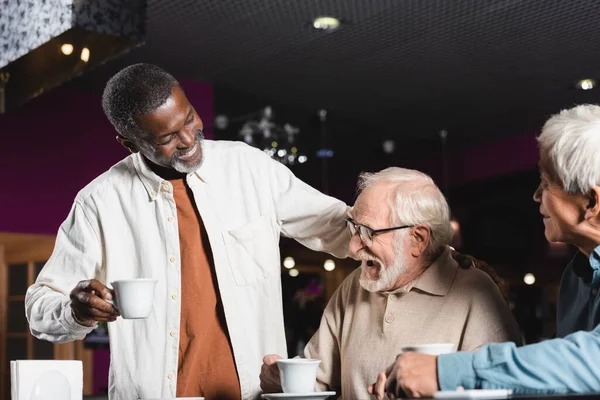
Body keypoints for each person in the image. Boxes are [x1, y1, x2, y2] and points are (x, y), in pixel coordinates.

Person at [24, 63, 350, 400]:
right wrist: (74, 311)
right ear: (129, 143)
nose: (188, 139)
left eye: (190, 118)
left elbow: (339, 225)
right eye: (166, 138)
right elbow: (40, 310)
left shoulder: (249, 168)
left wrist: (395, 217)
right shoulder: (99, 202)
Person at [370, 104, 600, 399]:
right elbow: (563, 381)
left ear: (592, 202)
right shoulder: (576, 275)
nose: (536, 195)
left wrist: (447, 372)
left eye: (545, 183)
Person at [260, 168, 521, 398]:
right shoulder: (354, 286)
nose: (352, 247)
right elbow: (317, 382)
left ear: (418, 239)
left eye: (367, 233)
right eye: (353, 228)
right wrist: (283, 382)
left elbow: (505, 387)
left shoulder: (475, 293)